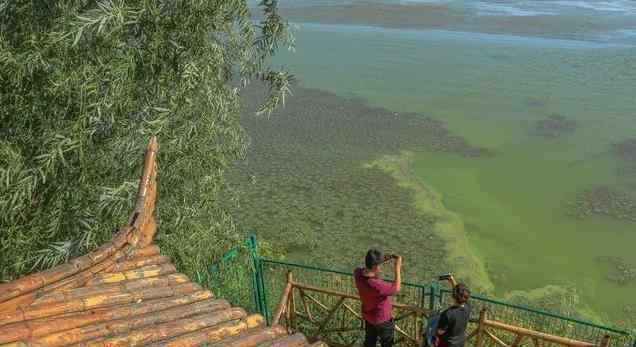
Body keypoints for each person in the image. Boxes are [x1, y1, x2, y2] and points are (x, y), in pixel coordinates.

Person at [354, 249, 403, 347]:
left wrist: (382, 259)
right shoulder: (376, 285)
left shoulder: (357, 274)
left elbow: (362, 269)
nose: (381, 268)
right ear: (375, 267)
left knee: (369, 343)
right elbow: (397, 288)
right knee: (387, 344)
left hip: (368, 316)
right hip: (382, 319)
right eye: (380, 265)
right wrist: (397, 268)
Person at [436, 275, 471, 347]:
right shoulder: (467, 307)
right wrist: (452, 280)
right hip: (460, 342)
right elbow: (461, 294)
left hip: (447, 344)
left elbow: (440, 332)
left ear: (453, 296)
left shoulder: (447, 314)